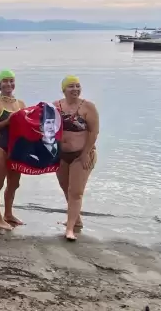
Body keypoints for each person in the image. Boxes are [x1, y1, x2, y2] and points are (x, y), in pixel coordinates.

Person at [54, 76, 99, 242]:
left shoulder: (88, 107)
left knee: (76, 192)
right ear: (63, 90)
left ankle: (70, 229)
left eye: (77, 86)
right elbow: (45, 127)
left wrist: (86, 153)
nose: (75, 89)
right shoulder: (56, 106)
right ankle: (76, 220)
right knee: (66, 188)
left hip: (81, 154)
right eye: (71, 86)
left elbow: (94, 132)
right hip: (61, 155)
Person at [0, 69, 27, 231]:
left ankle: (8, 214)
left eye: (11, 81)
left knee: (14, 183)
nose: (8, 84)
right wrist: (7, 122)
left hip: (16, 148)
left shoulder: (21, 104)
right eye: (5, 81)